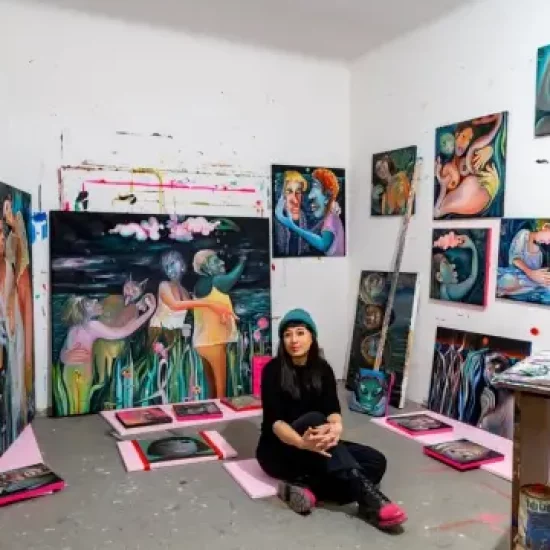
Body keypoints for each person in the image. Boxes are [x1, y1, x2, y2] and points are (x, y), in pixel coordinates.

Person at [256, 308, 407, 529]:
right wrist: (302, 443)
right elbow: (275, 422)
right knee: (315, 418)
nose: (294, 340)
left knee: (376, 461)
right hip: (281, 450)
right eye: (287, 335)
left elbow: (332, 409)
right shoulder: (272, 370)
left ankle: (307, 489)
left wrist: (336, 427)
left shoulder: (322, 368)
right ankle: (370, 499)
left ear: (312, 337)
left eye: (300, 333)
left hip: (317, 445)